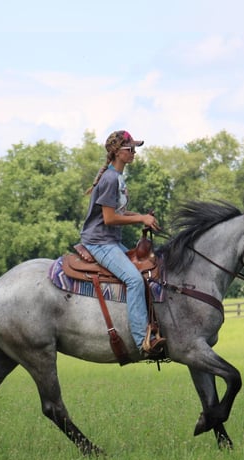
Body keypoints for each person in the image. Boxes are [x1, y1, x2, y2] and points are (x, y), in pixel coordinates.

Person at [80, 130, 166, 359]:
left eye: (135, 148)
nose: (134, 153)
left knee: (146, 272)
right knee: (134, 280)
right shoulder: (110, 179)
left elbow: (117, 211)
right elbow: (108, 219)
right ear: (117, 152)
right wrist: (140, 219)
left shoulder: (117, 176)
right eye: (130, 149)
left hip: (111, 241)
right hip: (99, 242)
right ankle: (142, 341)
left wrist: (140, 216)